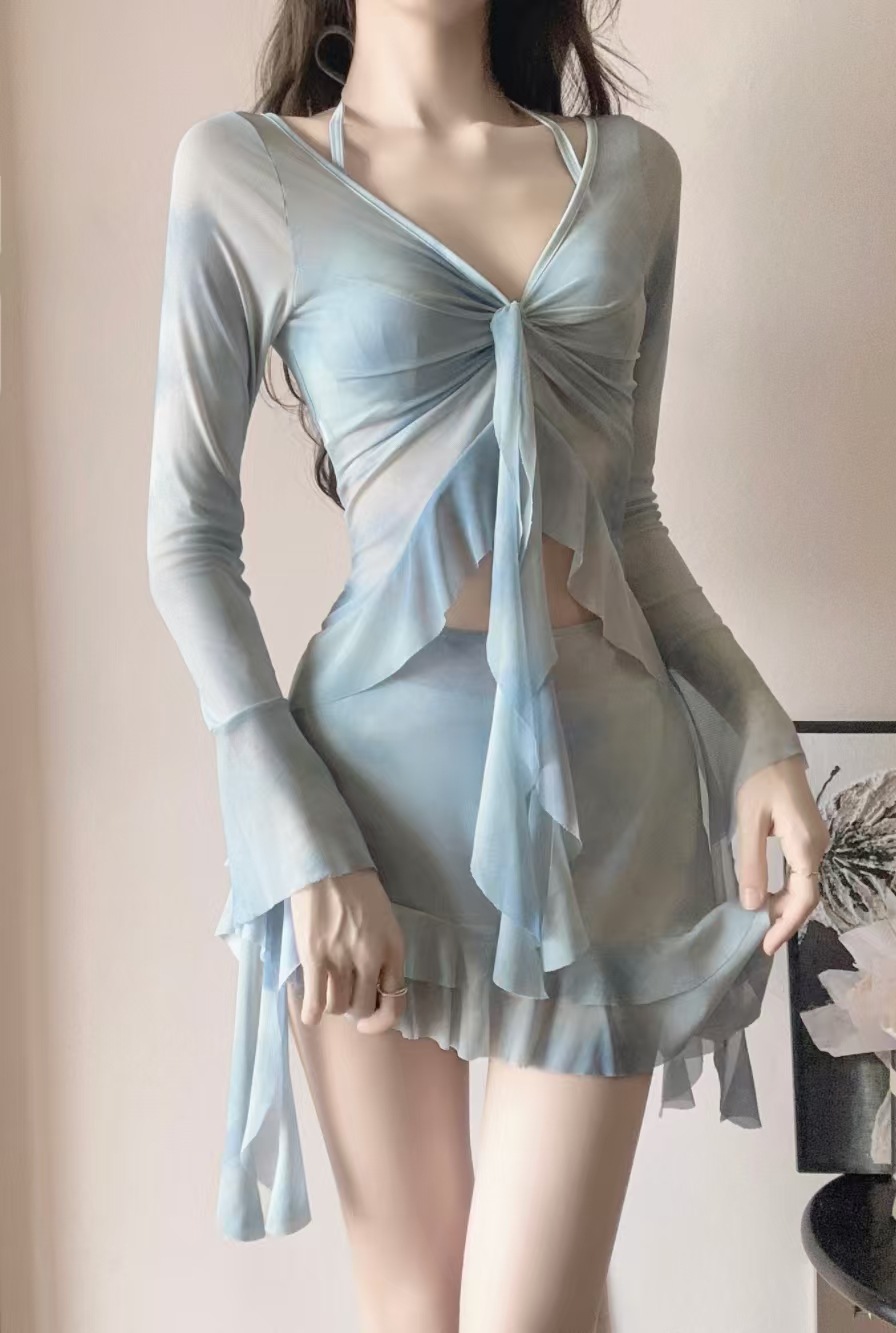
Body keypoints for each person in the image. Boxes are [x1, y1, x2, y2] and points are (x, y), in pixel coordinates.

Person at [146, 1, 831, 1328]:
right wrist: (305, 842)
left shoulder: (631, 176)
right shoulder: (244, 171)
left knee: (531, 1314)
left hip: (605, 808)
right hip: (363, 811)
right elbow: (188, 539)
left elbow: (626, 517)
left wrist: (760, 729)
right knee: (414, 1308)